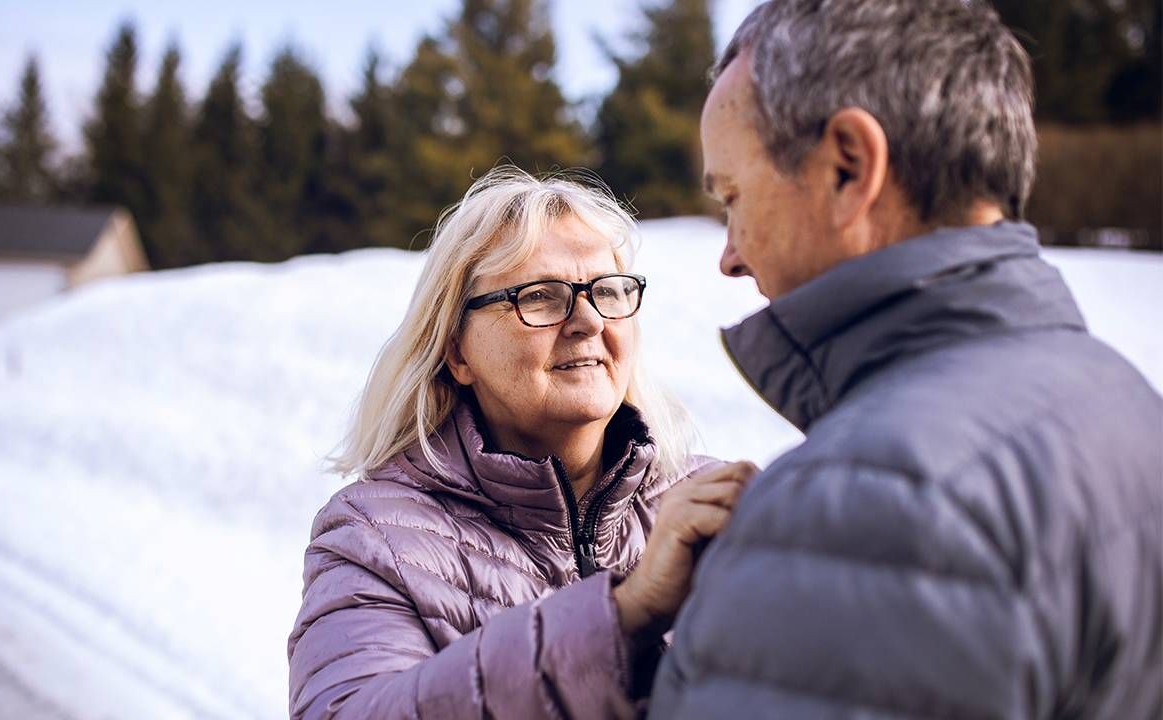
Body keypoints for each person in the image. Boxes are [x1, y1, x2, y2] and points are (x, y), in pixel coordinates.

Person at [650, 1, 1163, 717]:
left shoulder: (869, 505)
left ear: (848, 168)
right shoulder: (1123, 397)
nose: (729, 255)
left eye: (733, 196)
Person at [287, 166, 755, 719]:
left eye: (606, 290)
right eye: (542, 297)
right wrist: (622, 617)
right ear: (457, 351)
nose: (587, 320)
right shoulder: (374, 540)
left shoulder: (708, 503)